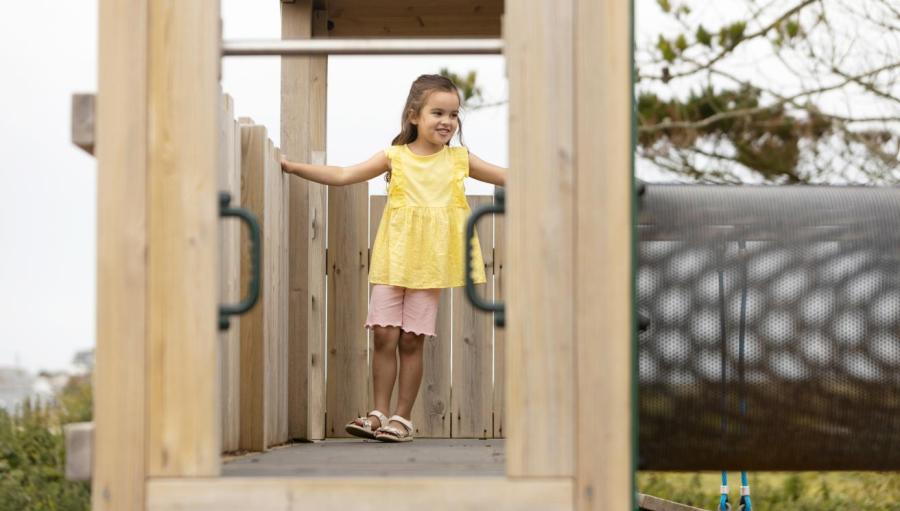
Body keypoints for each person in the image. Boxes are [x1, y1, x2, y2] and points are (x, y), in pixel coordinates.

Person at [281, 74, 506, 443]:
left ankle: (402, 418)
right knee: (385, 336)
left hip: (430, 265)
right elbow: (343, 174)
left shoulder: (459, 160)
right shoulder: (395, 157)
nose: (447, 121)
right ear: (414, 115)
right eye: (438, 112)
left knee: (411, 341)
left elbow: (507, 176)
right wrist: (293, 167)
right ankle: (378, 412)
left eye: (453, 114)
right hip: (394, 260)